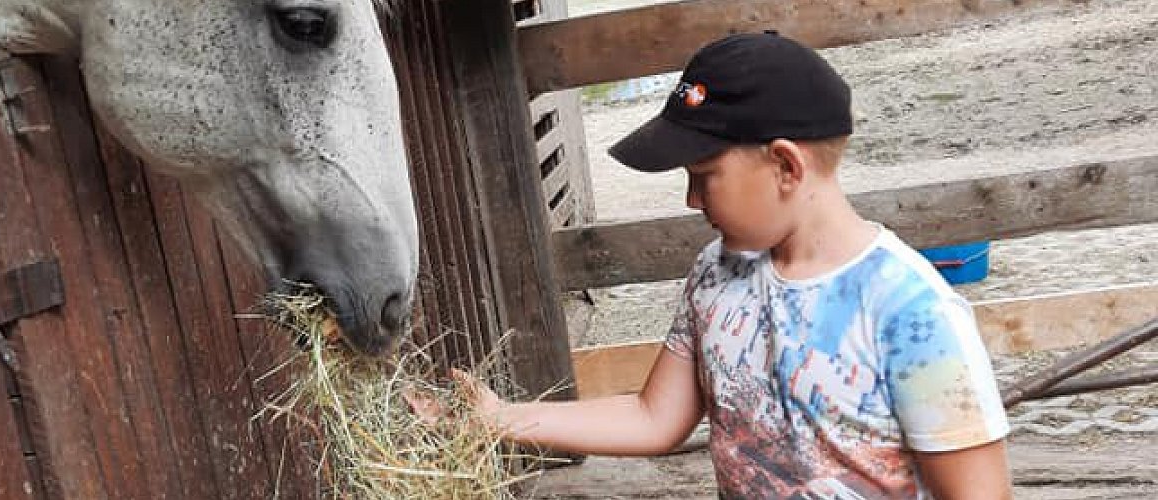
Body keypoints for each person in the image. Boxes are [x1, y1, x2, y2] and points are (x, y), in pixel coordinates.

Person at [409, 32, 1013, 499]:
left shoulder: (913, 316)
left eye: (703, 177)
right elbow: (653, 418)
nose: (692, 201)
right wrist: (498, 418)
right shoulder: (715, 275)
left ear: (786, 166)